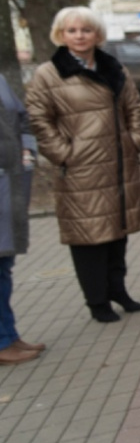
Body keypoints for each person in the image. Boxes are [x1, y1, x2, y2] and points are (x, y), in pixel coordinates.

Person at [26, 7, 140, 324]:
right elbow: (39, 120)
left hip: (119, 166)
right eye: (72, 30)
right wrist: (65, 153)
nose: (79, 36)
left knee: (117, 234)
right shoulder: (48, 74)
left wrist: (134, 139)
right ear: (60, 35)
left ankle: (118, 291)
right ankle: (97, 301)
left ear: (97, 34)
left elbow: (134, 106)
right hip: (80, 170)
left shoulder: (114, 68)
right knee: (89, 238)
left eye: (86, 30)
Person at [0, 75, 40, 365]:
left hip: (9, 181)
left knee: (4, 264)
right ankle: (2, 341)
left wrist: (27, 149)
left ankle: (9, 334)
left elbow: (21, 116)